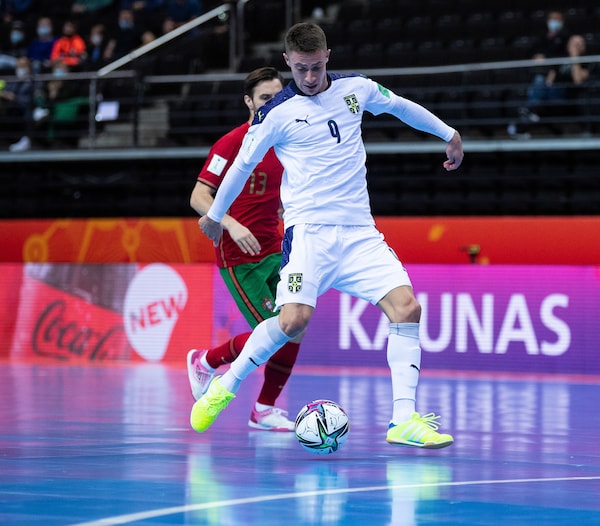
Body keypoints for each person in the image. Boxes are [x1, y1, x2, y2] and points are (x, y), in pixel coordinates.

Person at [191, 22, 463, 450]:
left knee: (407, 309)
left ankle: (403, 421)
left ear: (328, 57)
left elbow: (401, 107)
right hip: (309, 236)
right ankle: (225, 386)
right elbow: (241, 167)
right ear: (288, 62)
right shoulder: (275, 113)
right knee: (292, 321)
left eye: (317, 67)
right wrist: (218, 214)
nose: (311, 77)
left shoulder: (356, 89)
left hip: (359, 233)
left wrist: (449, 135)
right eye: (301, 69)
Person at [186, 66, 301, 432]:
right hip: (241, 256)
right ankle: (205, 361)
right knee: (276, 329)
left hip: (277, 249)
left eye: (279, 96)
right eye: (265, 97)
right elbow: (198, 196)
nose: (274, 103)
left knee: (294, 326)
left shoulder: (286, 140)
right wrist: (229, 224)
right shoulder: (231, 143)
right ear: (249, 102)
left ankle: (264, 409)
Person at [507, 33, 589, 139]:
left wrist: (575, 58)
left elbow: (578, 80)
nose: (576, 46)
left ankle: (528, 111)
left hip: (566, 96)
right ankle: (529, 113)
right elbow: (550, 79)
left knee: (543, 88)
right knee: (540, 79)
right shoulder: (560, 60)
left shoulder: (586, 62)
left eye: (579, 44)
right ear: (568, 45)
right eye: (574, 43)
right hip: (551, 93)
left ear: (584, 47)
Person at [1, 54, 36, 151]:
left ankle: (24, 140)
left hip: (24, 107)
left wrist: (15, 98)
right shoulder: (13, 81)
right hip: (9, 108)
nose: (20, 68)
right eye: (18, 66)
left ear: (29, 67)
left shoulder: (34, 80)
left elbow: (31, 98)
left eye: (23, 66)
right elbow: (6, 91)